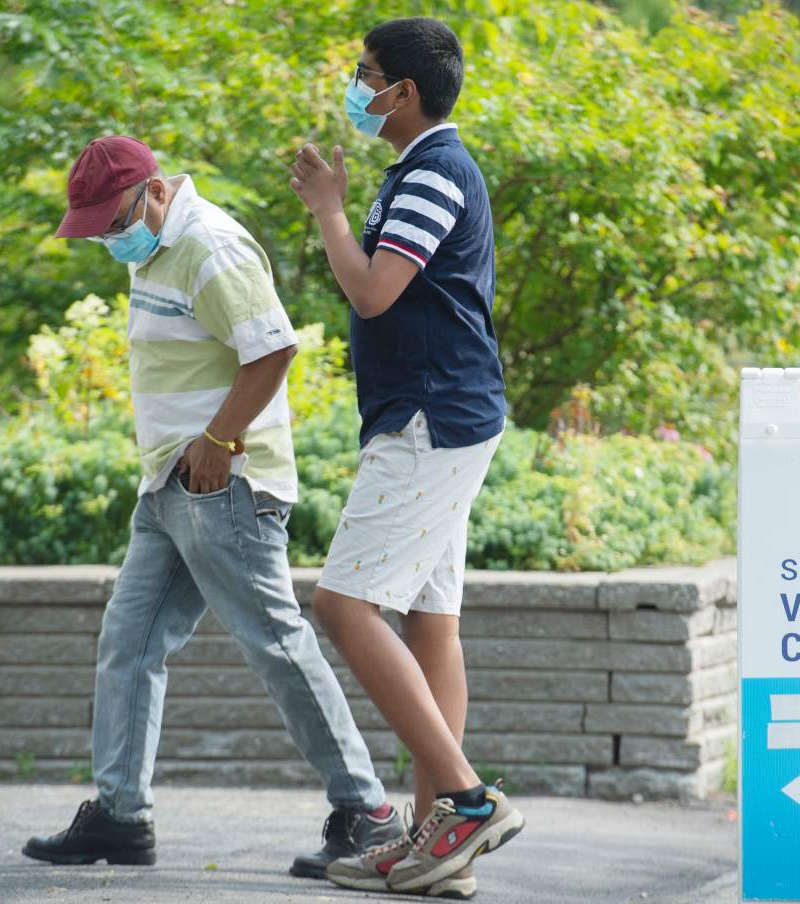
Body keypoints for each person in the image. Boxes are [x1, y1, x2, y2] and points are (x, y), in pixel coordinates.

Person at [22, 135, 400, 877]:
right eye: (96, 225)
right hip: (170, 484)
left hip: (225, 483)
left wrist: (219, 441)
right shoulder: (154, 246)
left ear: (155, 191)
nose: (107, 235)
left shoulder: (210, 245)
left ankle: (369, 812)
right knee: (129, 644)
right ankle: (121, 816)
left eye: (114, 218)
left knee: (277, 645)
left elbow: (273, 349)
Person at [288, 17, 523, 899]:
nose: (358, 87)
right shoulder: (424, 170)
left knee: (342, 605)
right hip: (443, 412)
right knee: (430, 624)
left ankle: (464, 802)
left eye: (367, 74)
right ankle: (441, 849)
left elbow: (375, 291)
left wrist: (329, 211)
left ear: (405, 93)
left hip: (429, 418)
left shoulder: (434, 172)